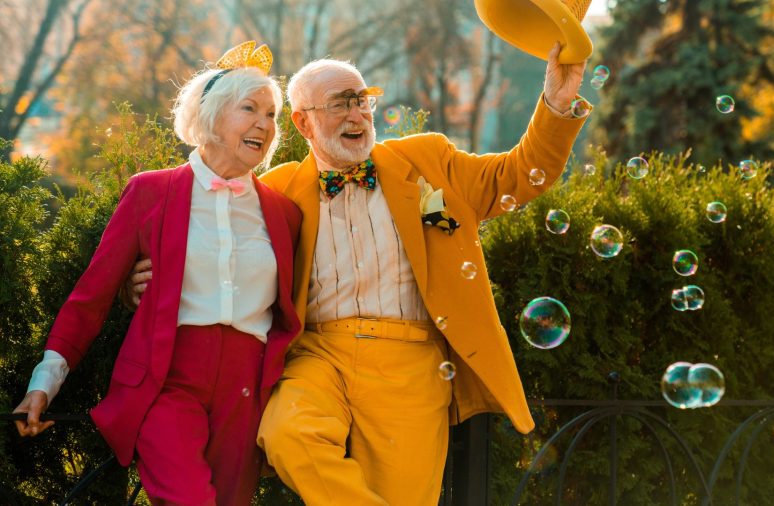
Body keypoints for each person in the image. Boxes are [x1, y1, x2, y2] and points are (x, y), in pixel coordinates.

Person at [128, 41, 589, 505]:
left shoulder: (428, 161)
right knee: (288, 434)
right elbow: (216, 242)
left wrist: (557, 103)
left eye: (361, 100)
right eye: (339, 104)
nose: (356, 115)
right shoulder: (276, 190)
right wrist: (152, 278)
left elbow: (521, 173)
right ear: (303, 122)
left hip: (410, 361)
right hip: (318, 356)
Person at [12, 41, 302, 506]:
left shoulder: (284, 213)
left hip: (247, 391)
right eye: (249, 109)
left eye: (271, 114)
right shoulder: (150, 191)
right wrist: (44, 383)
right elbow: (92, 296)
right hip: (166, 382)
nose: (265, 125)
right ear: (210, 116)